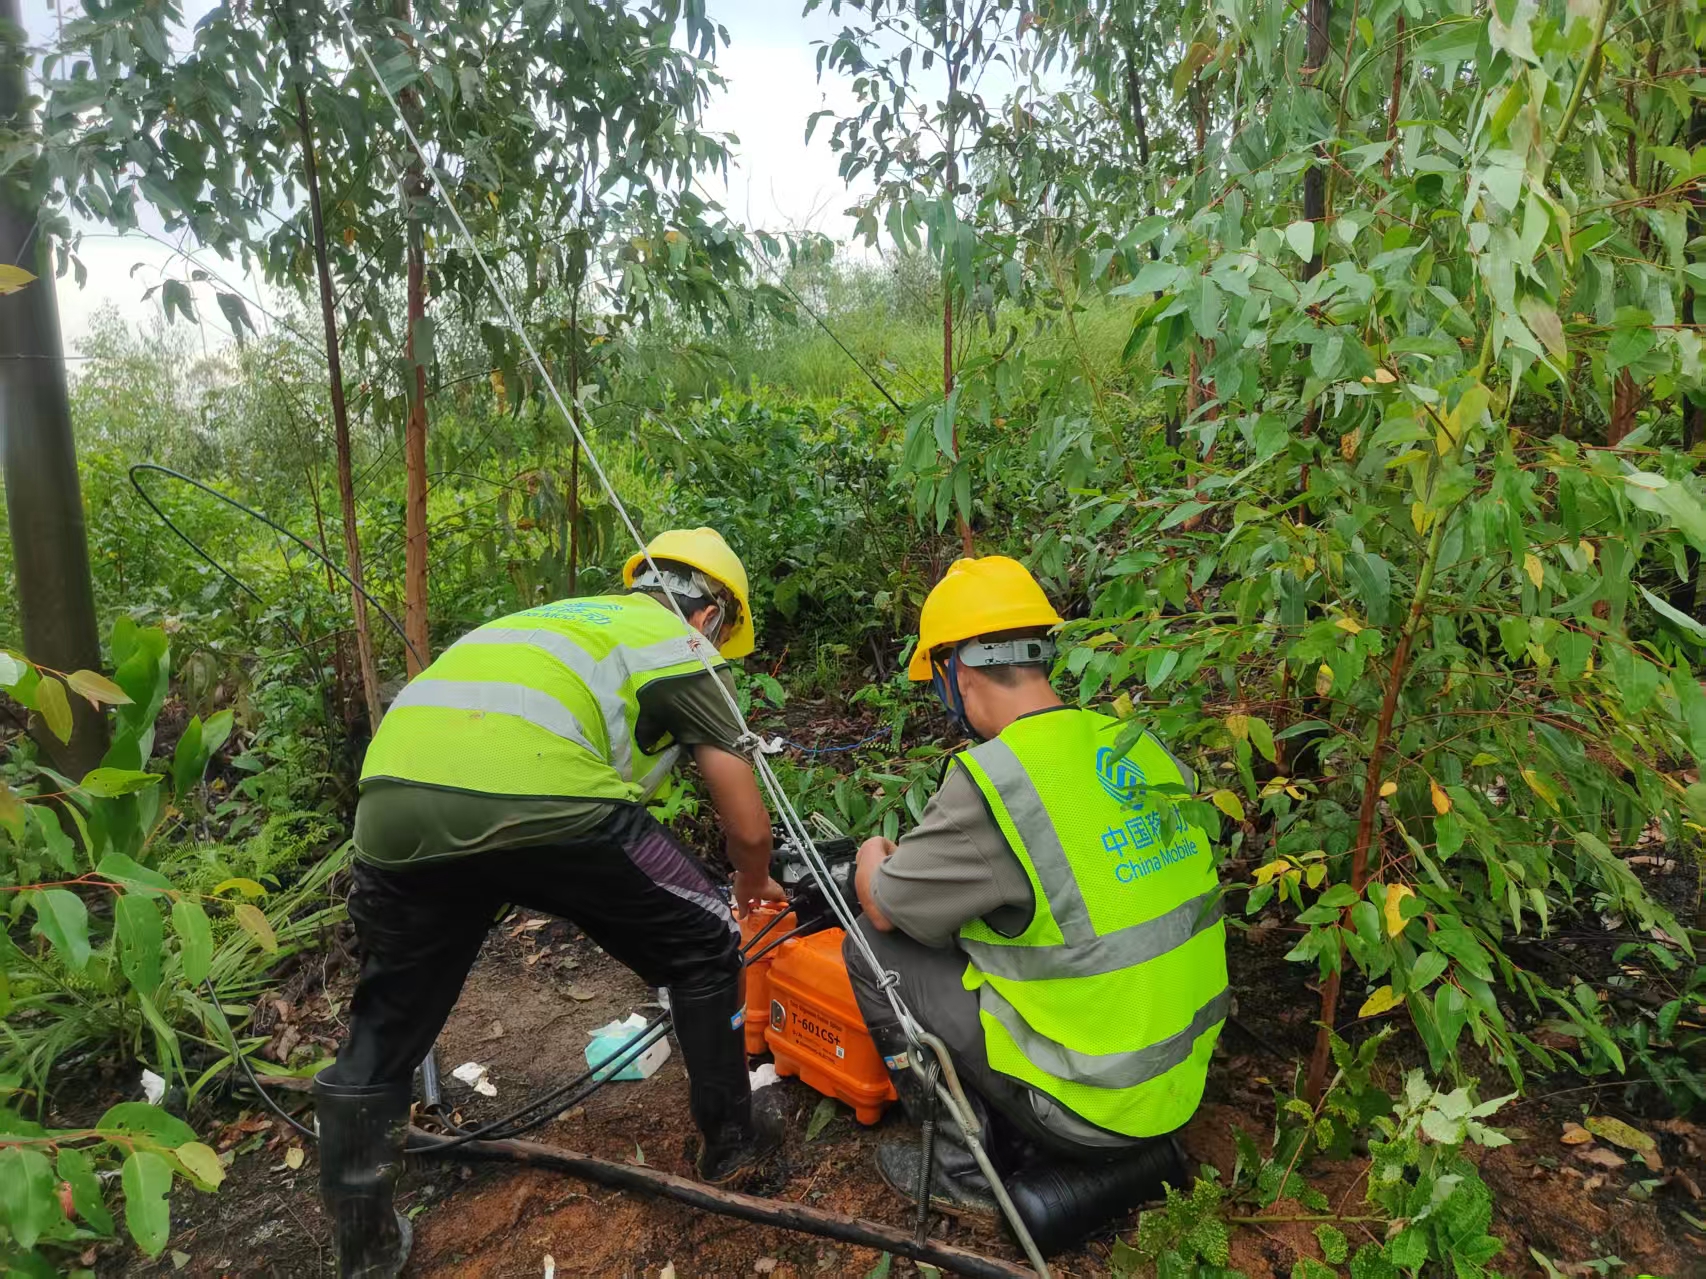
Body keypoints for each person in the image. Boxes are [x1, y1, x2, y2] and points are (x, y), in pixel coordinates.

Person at [315, 527, 788, 1279]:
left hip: (391, 803)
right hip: (545, 794)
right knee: (705, 938)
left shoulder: (555, 618)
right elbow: (748, 824)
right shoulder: (682, 644)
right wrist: (751, 882)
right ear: (712, 617)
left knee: (387, 1020)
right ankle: (732, 1147)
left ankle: (364, 1243)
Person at [844, 556, 1228, 1254]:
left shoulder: (998, 779)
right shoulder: (1135, 744)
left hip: (1095, 1106)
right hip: (1180, 1081)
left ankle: (964, 1177)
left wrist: (873, 851)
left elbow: (885, 905)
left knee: (870, 948)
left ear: (956, 669)